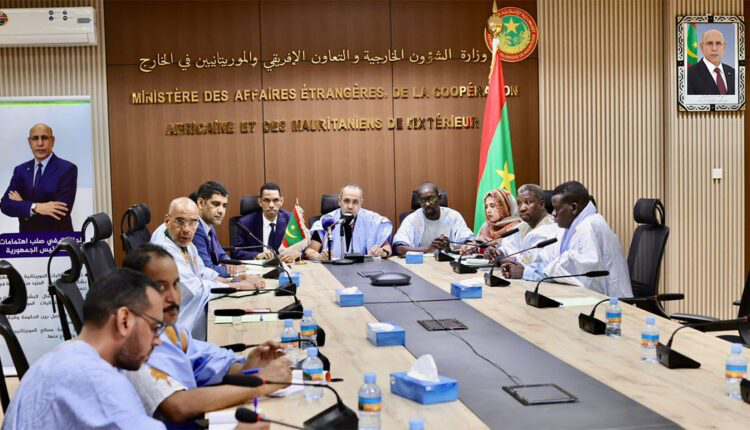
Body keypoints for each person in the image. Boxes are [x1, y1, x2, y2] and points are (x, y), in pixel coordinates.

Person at [122, 244, 291, 429]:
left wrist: (246, 367)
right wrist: (262, 384)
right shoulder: (134, 347)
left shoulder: (169, 330)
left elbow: (205, 360)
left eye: (176, 284)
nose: (173, 297)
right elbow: (178, 406)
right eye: (161, 287)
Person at [2, 268, 166, 429]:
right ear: (124, 320)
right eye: (154, 327)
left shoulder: (46, 363)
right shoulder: (98, 381)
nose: (158, 341)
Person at [151, 197, 263, 341]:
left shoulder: (180, 239)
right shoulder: (165, 252)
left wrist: (235, 279)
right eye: (180, 221)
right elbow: (196, 289)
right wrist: (239, 286)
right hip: (177, 326)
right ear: (167, 221)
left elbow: (201, 271)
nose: (186, 229)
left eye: (192, 222)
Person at [500, 181, 632, 298]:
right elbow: (549, 258)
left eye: (557, 209)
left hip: (611, 304)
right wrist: (524, 267)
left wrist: (526, 272)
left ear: (573, 208)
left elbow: (579, 272)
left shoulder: (590, 225)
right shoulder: (567, 228)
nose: (553, 214)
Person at [0, 123, 78, 233]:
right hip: (26, 241)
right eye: (35, 138)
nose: (40, 143)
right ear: (29, 142)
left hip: (58, 239)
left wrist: (23, 206)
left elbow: (60, 212)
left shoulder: (67, 169)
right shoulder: (20, 171)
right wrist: (35, 207)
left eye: (44, 138)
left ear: (53, 141)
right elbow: (5, 205)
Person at [305, 184, 392, 260]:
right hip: (334, 268)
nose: (350, 206)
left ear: (361, 203)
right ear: (339, 201)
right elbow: (310, 250)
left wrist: (383, 252)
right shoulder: (327, 221)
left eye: (355, 202)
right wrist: (320, 257)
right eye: (346, 201)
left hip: (364, 267)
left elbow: (387, 247)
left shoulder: (372, 220)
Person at [392, 182, 474, 256]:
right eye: (423, 200)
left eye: (431, 199)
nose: (427, 204)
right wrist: (429, 249)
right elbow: (399, 249)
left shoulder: (453, 216)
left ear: (439, 198)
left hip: (448, 262)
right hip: (420, 264)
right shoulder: (412, 219)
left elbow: (470, 243)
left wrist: (450, 248)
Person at [232, 183, 301, 263]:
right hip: (258, 267)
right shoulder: (245, 223)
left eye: (275, 200)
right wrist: (257, 256)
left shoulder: (290, 220)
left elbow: (303, 247)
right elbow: (236, 252)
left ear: (281, 201)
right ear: (260, 202)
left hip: (285, 266)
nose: (271, 205)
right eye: (267, 200)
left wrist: (296, 253)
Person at [489, 184, 558, 263]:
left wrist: (511, 260)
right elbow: (508, 246)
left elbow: (536, 259)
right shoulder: (521, 226)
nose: (522, 208)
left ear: (541, 204)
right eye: (519, 203)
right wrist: (497, 252)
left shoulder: (551, 228)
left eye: (528, 202)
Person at [192, 181, 244, 278]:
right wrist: (234, 270)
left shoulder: (209, 226)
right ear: (201, 203)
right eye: (216, 204)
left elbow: (221, 254)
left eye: (224, 206)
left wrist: (229, 263)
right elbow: (207, 270)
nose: (221, 211)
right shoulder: (195, 228)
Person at [687, 29, 735, 95]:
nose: (714, 48)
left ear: (724, 47)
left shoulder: (734, 73)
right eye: (709, 43)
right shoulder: (689, 75)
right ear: (702, 47)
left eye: (718, 43)